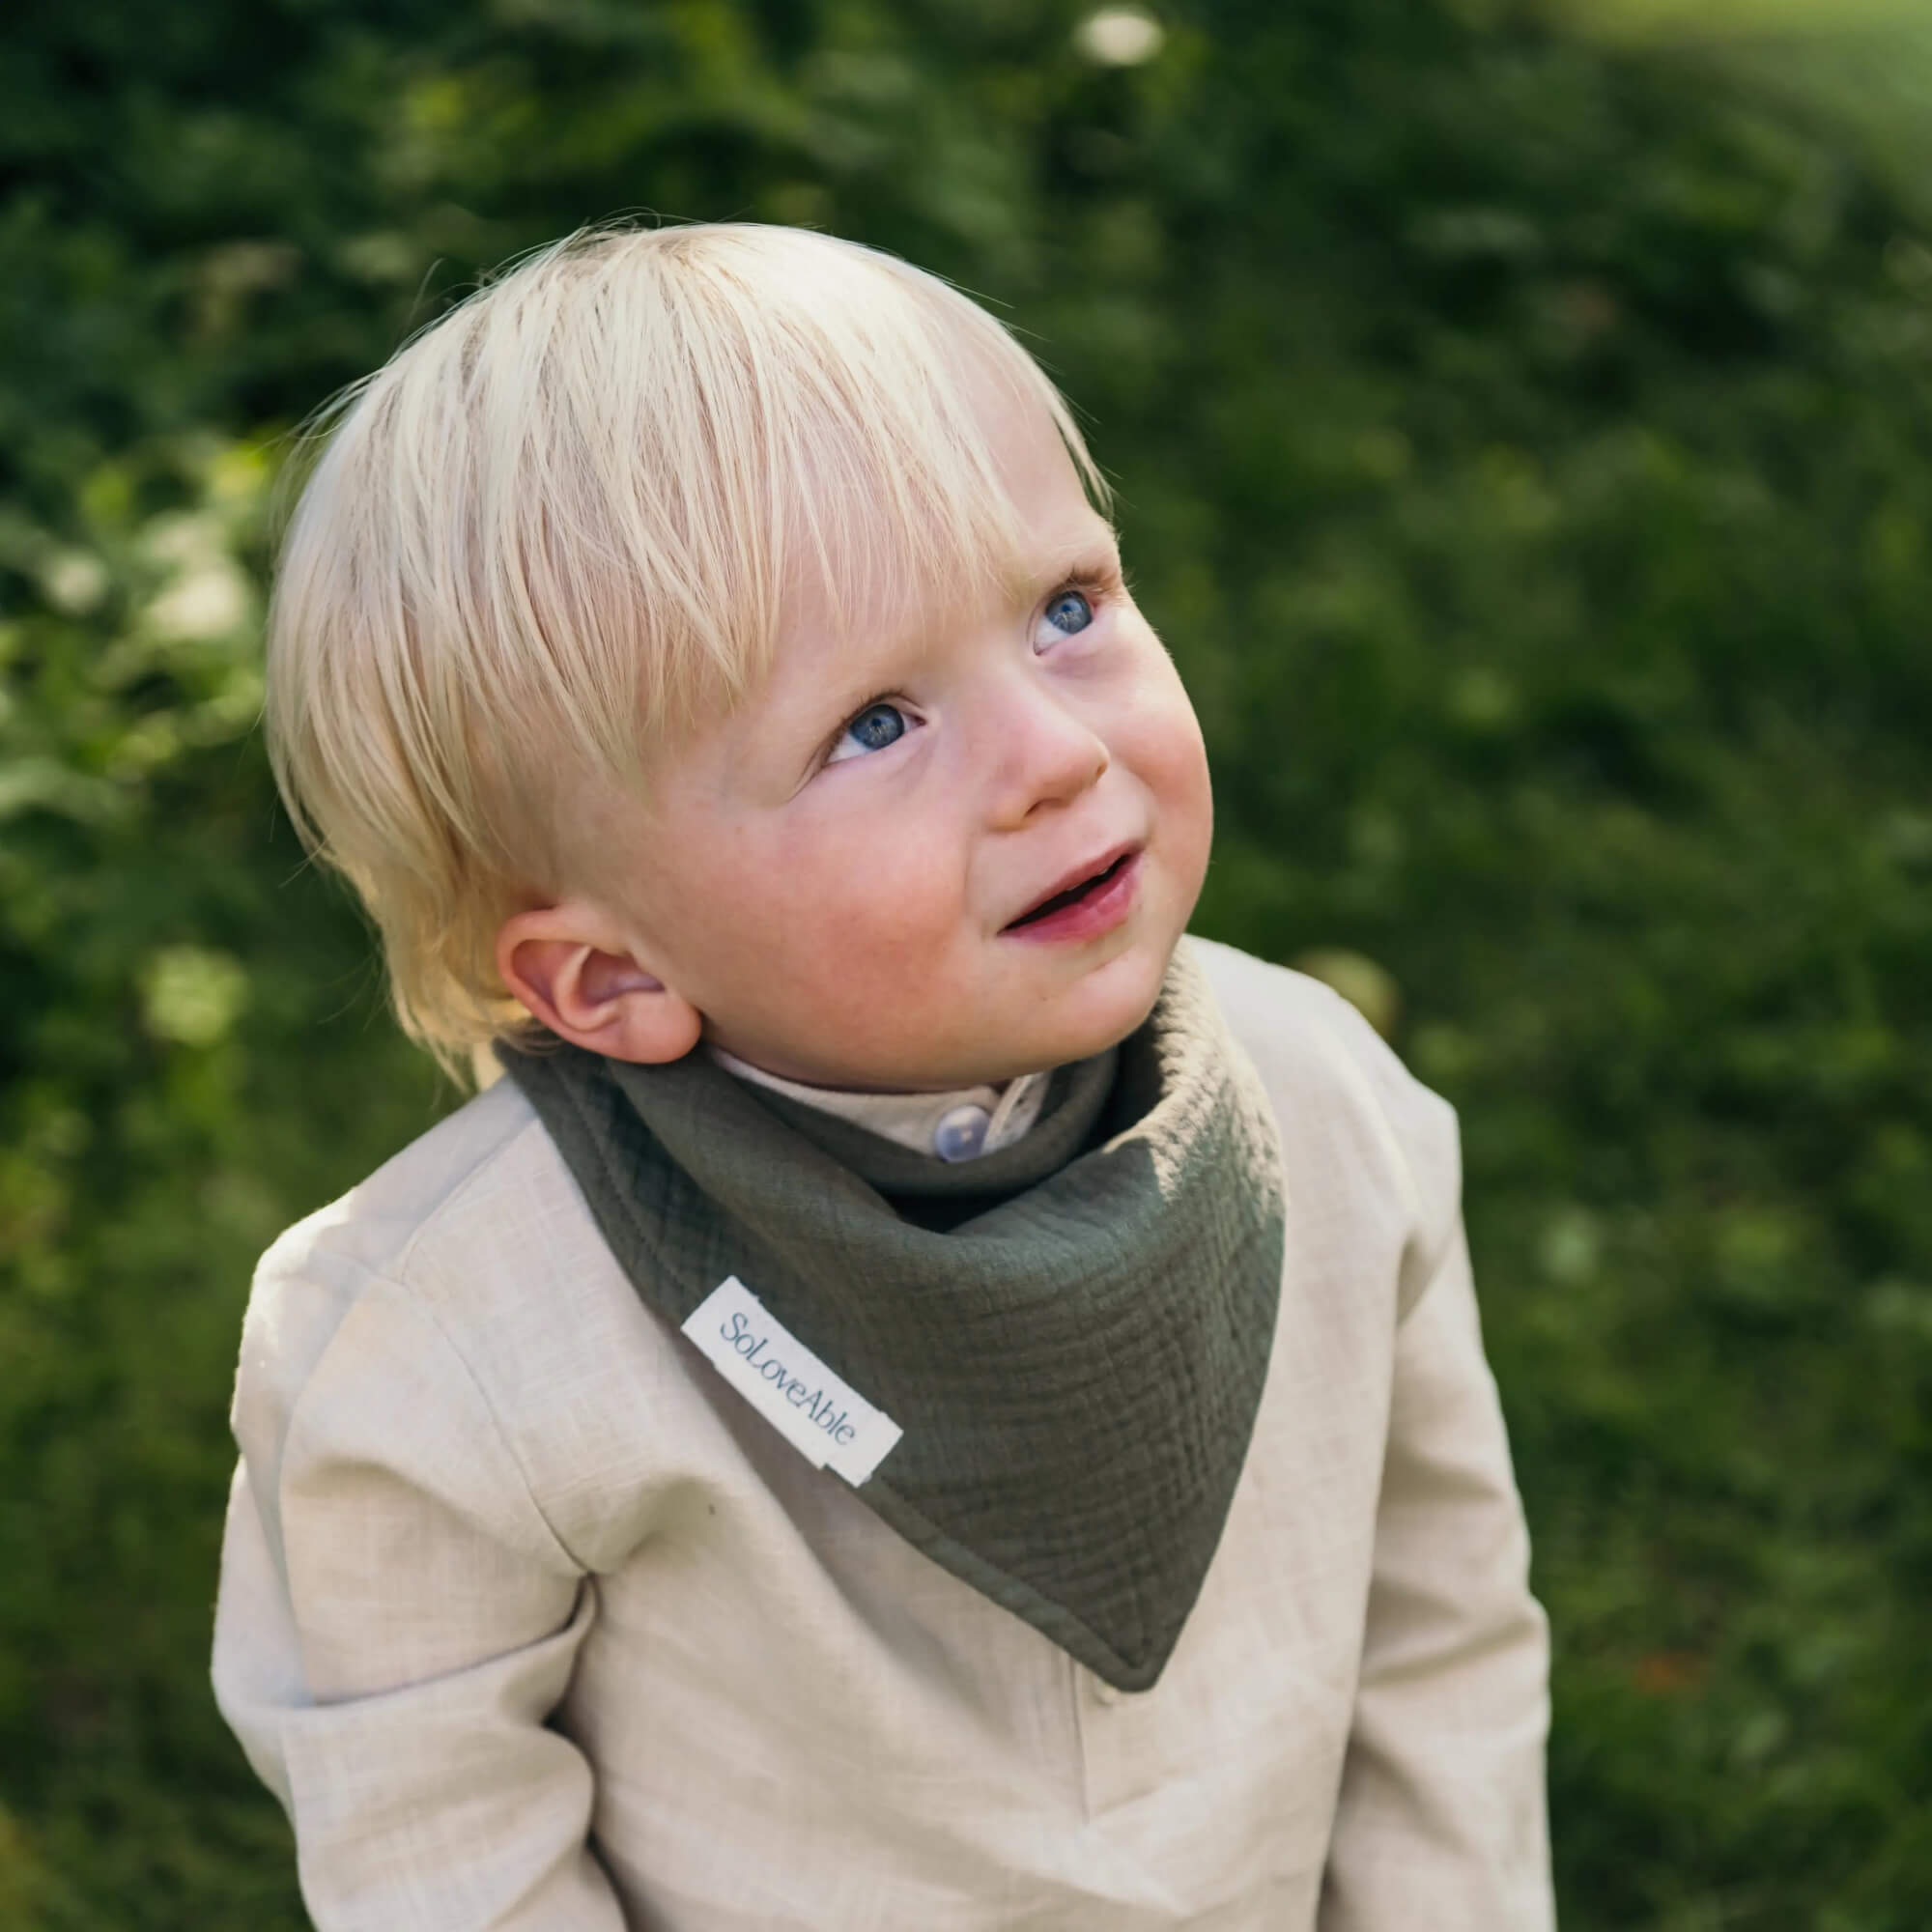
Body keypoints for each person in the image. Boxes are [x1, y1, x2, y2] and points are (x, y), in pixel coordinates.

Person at [212, 222, 1553, 1930]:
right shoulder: (449, 1340)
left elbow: (1440, 1629)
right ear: (609, 972)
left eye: (1068, 609)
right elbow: (436, 1844)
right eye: (874, 725)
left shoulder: (1324, 1109)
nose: (1058, 756)